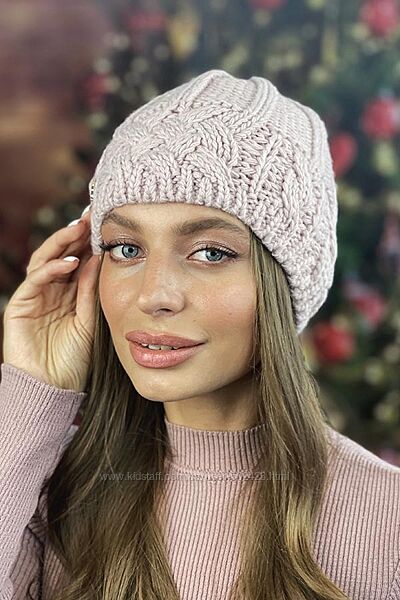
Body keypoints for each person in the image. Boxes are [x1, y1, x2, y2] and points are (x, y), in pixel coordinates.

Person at [1, 69, 399, 600]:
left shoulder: (387, 526)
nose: (153, 295)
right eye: (126, 249)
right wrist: (31, 390)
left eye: (210, 252)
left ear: (283, 285)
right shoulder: (41, 493)